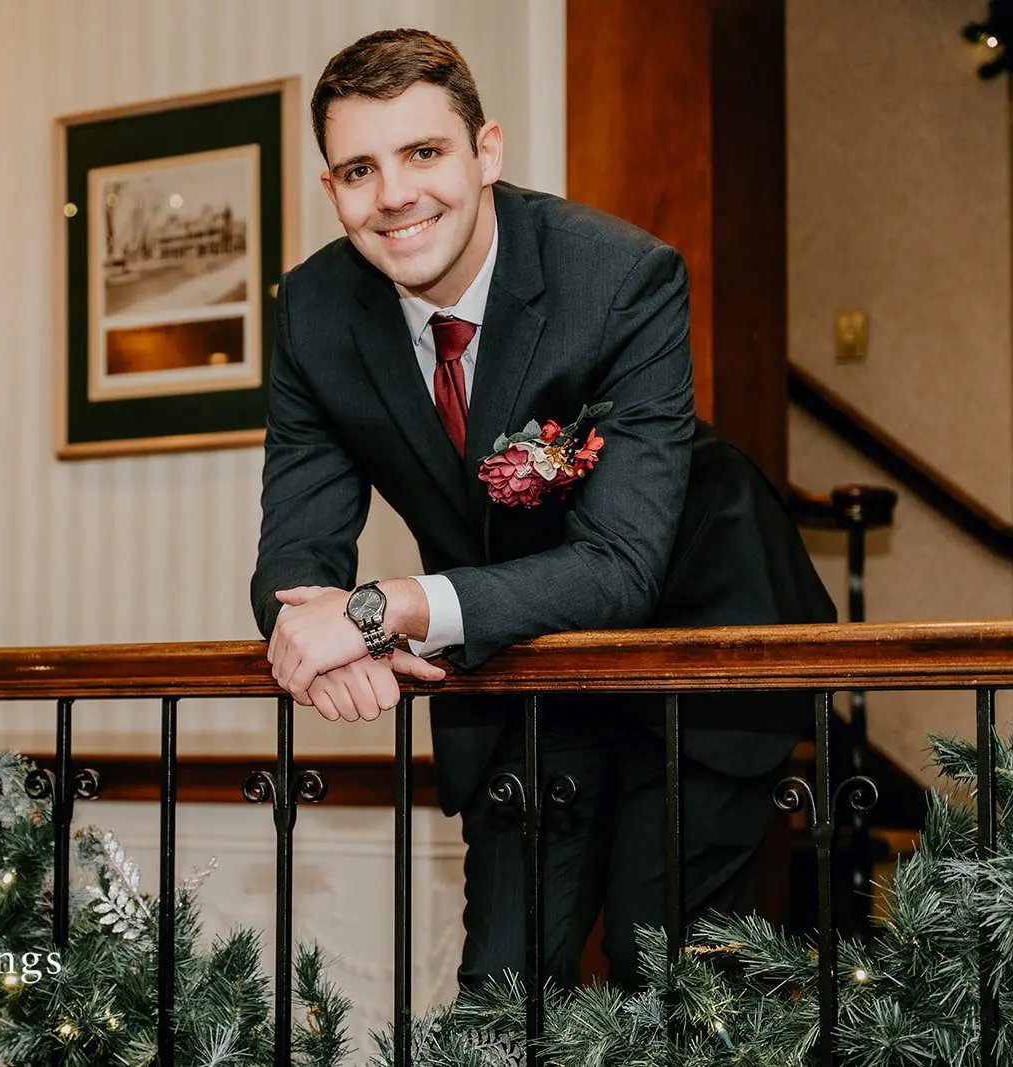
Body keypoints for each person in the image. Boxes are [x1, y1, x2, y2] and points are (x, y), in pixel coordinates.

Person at [250, 27, 833, 991]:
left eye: (424, 152)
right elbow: (299, 536)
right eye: (359, 168)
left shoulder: (619, 276)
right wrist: (313, 634)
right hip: (513, 676)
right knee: (503, 992)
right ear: (331, 191)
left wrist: (381, 610)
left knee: (669, 992)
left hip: (690, 643)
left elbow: (619, 565)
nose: (394, 194)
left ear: (487, 154)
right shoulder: (314, 310)